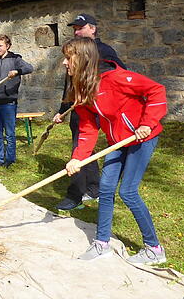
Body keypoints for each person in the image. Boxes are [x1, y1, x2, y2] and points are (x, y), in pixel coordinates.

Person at [60, 37, 167, 265]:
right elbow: (88, 128)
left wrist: (146, 123)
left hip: (142, 138)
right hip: (117, 141)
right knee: (106, 189)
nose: (64, 63)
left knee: (128, 192)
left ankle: (154, 248)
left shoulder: (118, 78)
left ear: (82, 59)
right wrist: (77, 158)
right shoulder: (83, 87)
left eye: (68, 58)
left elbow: (156, 91)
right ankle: (101, 244)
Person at [54, 13, 127, 211]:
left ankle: (77, 194)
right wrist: (62, 110)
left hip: (99, 109)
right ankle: (90, 188)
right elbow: (70, 84)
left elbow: (123, 77)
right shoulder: (72, 52)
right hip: (80, 108)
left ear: (92, 29)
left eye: (80, 27)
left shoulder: (104, 51)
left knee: (80, 149)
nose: (76, 32)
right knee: (82, 148)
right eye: (74, 29)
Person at [0, 34, 33, 168]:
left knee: (10, 134)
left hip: (9, 102)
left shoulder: (15, 59)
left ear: (7, 46)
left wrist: (17, 71)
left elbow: (29, 68)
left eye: (0, 45)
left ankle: (10, 159)